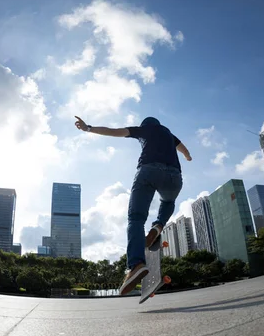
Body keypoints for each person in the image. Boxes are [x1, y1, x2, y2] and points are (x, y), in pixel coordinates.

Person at [74, 115, 192, 295]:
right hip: (174, 177)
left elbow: (115, 132)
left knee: (136, 218)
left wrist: (88, 128)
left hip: (148, 171)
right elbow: (183, 148)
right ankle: (159, 225)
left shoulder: (143, 130)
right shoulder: (169, 134)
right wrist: (187, 156)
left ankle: (136, 264)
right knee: (168, 201)